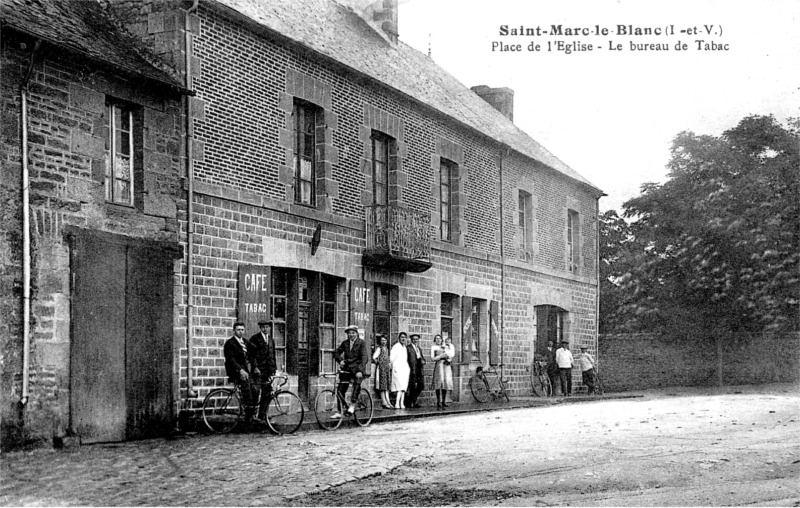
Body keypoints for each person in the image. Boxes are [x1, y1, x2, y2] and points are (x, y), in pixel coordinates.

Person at [223, 321, 260, 422]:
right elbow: (231, 360)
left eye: (242, 330)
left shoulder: (245, 342)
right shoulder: (230, 343)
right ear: (234, 330)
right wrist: (240, 370)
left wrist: (255, 366)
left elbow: (253, 353)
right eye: (238, 330)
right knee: (247, 388)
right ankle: (248, 417)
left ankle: (252, 414)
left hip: (245, 371)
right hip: (235, 371)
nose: (240, 332)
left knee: (255, 388)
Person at [332, 324, 369, 418]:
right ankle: (340, 411)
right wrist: (340, 360)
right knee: (340, 389)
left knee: (357, 380)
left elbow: (364, 358)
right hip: (347, 368)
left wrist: (360, 370)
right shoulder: (345, 343)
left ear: (356, 333)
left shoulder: (361, 343)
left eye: (353, 333)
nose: (351, 335)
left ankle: (352, 405)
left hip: (357, 369)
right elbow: (336, 352)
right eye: (349, 333)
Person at [248, 320, 277, 420]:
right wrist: (255, 367)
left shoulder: (271, 339)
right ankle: (252, 415)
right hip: (258, 370)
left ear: (270, 328)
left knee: (267, 393)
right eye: (263, 327)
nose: (265, 329)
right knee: (255, 392)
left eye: (267, 327)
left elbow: (273, 355)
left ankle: (262, 415)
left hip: (267, 371)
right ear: (260, 328)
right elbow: (251, 355)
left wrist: (274, 369)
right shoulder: (255, 339)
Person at [431, 334, 454, 408]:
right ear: (435, 340)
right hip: (439, 365)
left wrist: (449, 359)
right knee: (439, 382)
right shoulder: (434, 347)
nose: (438, 340)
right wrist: (440, 356)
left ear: (441, 340)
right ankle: (438, 401)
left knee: (445, 382)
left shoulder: (445, 346)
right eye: (436, 338)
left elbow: (450, 354)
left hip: (446, 365)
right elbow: (432, 358)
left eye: (439, 338)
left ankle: (444, 401)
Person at [405, 333, 426, 408]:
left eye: (416, 339)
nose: (415, 340)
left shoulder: (419, 348)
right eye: (413, 339)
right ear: (411, 340)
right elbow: (406, 359)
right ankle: (411, 402)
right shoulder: (408, 348)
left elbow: (422, 358)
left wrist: (423, 361)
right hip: (412, 369)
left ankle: (413, 400)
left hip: (419, 369)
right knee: (412, 386)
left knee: (421, 385)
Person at [390, 332, 410, 409]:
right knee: (399, 387)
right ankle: (397, 403)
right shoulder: (396, 347)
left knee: (403, 387)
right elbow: (392, 359)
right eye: (401, 337)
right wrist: (394, 368)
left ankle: (402, 403)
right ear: (399, 338)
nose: (403, 339)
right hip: (398, 368)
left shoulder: (404, 347)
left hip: (404, 369)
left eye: (404, 337)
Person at [372, 334, 392, 408]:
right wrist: (378, 362)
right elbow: (374, 357)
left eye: (385, 340)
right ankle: (384, 401)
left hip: (386, 369)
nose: (383, 342)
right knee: (382, 385)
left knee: (386, 386)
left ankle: (388, 401)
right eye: (382, 340)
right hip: (381, 369)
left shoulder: (387, 349)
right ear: (380, 341)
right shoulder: (379, 349)